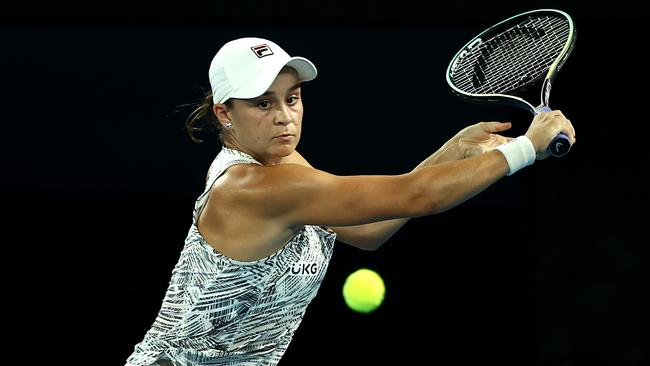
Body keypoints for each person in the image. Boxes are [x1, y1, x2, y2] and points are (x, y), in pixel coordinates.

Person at [125, 37, 576, 366]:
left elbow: (368, 230)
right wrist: (523, 150)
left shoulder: (285, 166)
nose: (285, 117)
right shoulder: (249, 188)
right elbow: (417, 196)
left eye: (293, 98)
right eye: (263, 105)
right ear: (225, 113)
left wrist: (452, 152)